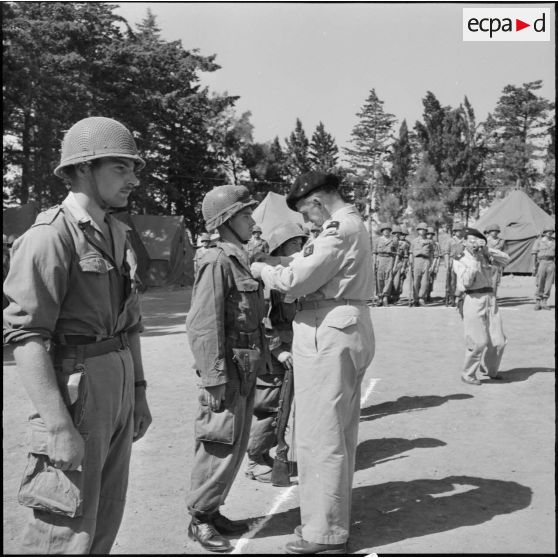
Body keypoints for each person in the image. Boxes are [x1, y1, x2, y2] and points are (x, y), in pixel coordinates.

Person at [3, 116, 152, 554]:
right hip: (77, 388)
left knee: (104, 516)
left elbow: (131, 323)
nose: (133, 180)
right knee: (62, 526)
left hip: (118, 380)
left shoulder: (117, 233)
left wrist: (138, 390)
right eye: (120, 168)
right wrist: (58, 427)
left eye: (134, 169)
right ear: (84, 168)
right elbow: (27, 337)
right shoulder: (49, 237)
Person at [251, 171, 375, 555]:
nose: (308, 223)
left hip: (327, 326)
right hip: (341, 322)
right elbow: (309, 262)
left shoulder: (339, 229)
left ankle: (324, 533)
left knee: (320, 437)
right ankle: (330, 519)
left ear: (319, 202)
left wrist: (260, 268)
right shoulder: (350, 226)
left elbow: (294, 280)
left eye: (308, 212)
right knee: (335, 431)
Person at [185, 184, 271, 553]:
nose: (252, 221)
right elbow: (203, 324)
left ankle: (213, 508)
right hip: (227, 370)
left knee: (234, 444)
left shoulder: (237, 257)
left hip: (245, 364)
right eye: (246, 214)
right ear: (227, 220)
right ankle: (200, 520)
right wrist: (214, 376)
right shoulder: (217, 261)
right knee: (218, 443)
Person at [245, 221, 308, 484]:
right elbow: (262, 320)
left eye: (301, 243)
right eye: (295, 243)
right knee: (270, 407)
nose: (300, 248)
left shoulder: (292, 274)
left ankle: (266, 454)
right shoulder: (270, 277)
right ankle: (255, 459)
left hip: (289, 346)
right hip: (274, 354)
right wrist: (278, 350)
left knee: (282, 406)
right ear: (281, 247)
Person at [452, 228, 510, 385]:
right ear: (464, 242)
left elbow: (506, 260)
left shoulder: (485, 254)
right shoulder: (460, 258)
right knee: (477, 341)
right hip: (473, 298)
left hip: (490, 298)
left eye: (477, 241)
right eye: (471, 241)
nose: (474, 244)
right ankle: (468, 374)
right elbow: (465, 283)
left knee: (499, 341)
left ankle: (490, 369)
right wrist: (475, 261)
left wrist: (486, 249)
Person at [409, 222, 433, 306]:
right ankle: (415, 298)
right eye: (420, 229)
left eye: (423, 230)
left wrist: (431, 265)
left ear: (426, 231)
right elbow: (411, 253)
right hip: (417, 261)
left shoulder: (429, 242)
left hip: (426, 261)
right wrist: (411, 262)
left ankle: (421, 298)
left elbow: (431, 254)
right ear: (418, 231)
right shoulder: (414, 241)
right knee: (416, 281)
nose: (422, 231)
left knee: (425, 281)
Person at [531, 226, 555, 310]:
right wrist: (534, 266)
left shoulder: (554, 242)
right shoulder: (538, 241)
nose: (550, 233)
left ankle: (545, 301)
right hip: (541, 262)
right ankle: (538, 302)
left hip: (551, 263)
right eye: (548, 231)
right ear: (545, 232)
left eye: (551, 231)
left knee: (549, 283)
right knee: (540, 281)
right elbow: (534, 253)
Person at [373, 223, 397, 306]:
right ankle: (380, 297)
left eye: (388, 230)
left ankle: (385, 297)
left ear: (390, 231)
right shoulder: (377, 240)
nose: (386, 231)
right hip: (380, 259)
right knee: (379, 278)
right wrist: (374, 262)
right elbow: (374, 253)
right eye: (384, 230)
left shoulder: (394, 240)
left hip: (390, 259)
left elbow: (396, 253)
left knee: (388, 278)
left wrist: (395, 264)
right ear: (382, 231)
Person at [443, 222, 465, 306]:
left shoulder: (465, 241)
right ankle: (451, 298)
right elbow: (446, 253)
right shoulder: (450, 241)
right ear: (454, 231)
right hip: (452, 262)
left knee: (461, 281)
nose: (459, 232)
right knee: (452, 281)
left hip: (462, 262)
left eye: (461, 230)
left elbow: (467, 253)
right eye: (457, 230)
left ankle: (459, 297)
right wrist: (447, 264)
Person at [485, 224, 506, 297]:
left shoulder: (501, 241)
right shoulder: (485, 241)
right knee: (485, 281)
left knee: (495, 282)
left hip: (496, 264)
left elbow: (504, 253)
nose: (494, 232)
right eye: (493, 231)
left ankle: (493, 297)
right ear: (489, 232)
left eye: (496, 231)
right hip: (486, 263)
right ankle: (486, 297)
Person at [390, 225, 408, 303]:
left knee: (398, 281)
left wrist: (404, 266)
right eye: (395, 233)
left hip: (400, 262)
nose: (398, 235)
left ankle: (396, 296)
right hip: (390, 262)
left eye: (400, 234)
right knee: (388, 280)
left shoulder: (405, 244)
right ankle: (388, 295)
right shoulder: (391, 241)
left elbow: (406, 256)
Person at [425, 226, 441, 303]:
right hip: (424, 263)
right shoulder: (423, 242)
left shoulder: (436, 244)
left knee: (431, 281)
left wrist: (436, 267)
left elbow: (437, 257)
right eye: (428, 234)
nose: (430, 236)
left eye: (431, 234)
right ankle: (422, 295)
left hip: (433, 263)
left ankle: (428, 295)